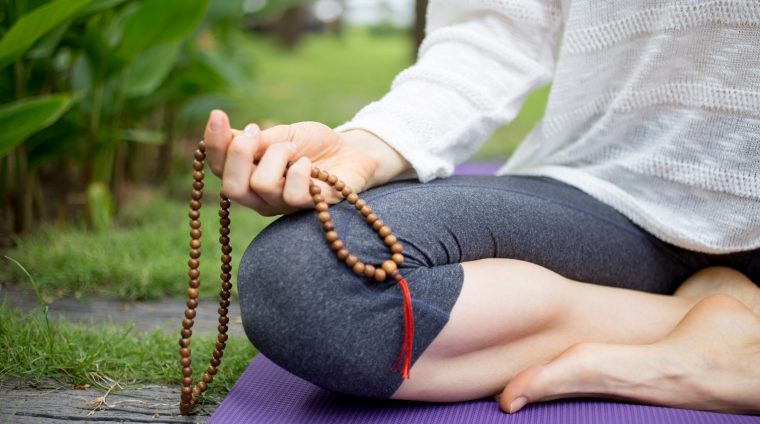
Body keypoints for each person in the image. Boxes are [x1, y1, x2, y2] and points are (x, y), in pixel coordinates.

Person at [202, 0, 760, 414]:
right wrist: (367, 148)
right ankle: (711, 324)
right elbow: (491, 35)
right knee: (305, 278)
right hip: (616, 191)